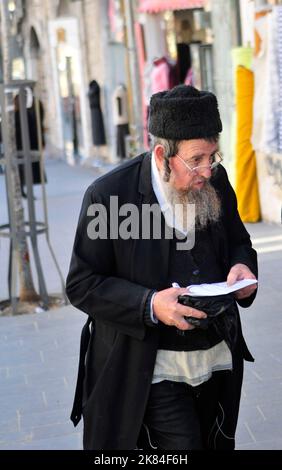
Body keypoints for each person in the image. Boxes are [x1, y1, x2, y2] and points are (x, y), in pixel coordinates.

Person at [66, 85, 258, 450]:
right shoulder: (109, 196)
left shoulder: (216, 180)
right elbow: (82, 283)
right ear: (161, 154)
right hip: (149, 369)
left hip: (215, 360)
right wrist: (150, 304)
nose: (207, 170)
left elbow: (239, 242)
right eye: (196, 159)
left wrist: (241, 268)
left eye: (213, 156)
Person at [14, 91, 46, 198]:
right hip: (20, 147)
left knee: (27, 169)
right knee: (23, 169)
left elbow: (35, 129)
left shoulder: (27, 112)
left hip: (27, 146)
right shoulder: (17, 114)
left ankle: (25, 190)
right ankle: (22, 190)